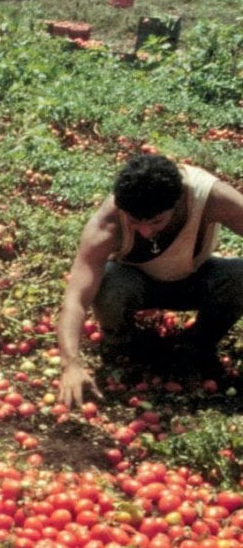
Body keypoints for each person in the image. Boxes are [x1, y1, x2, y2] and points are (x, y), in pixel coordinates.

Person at [56, 153, 243, 408]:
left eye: (156, 221)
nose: (145, 231)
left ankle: (198, 344)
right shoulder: (107, 225)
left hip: (196, 278)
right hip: (136, 284)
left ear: (176, 203)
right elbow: (76, 298)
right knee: (109, 282)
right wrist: (70, 364)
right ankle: (123, 346)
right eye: (135, 222)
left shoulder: (210, 197)